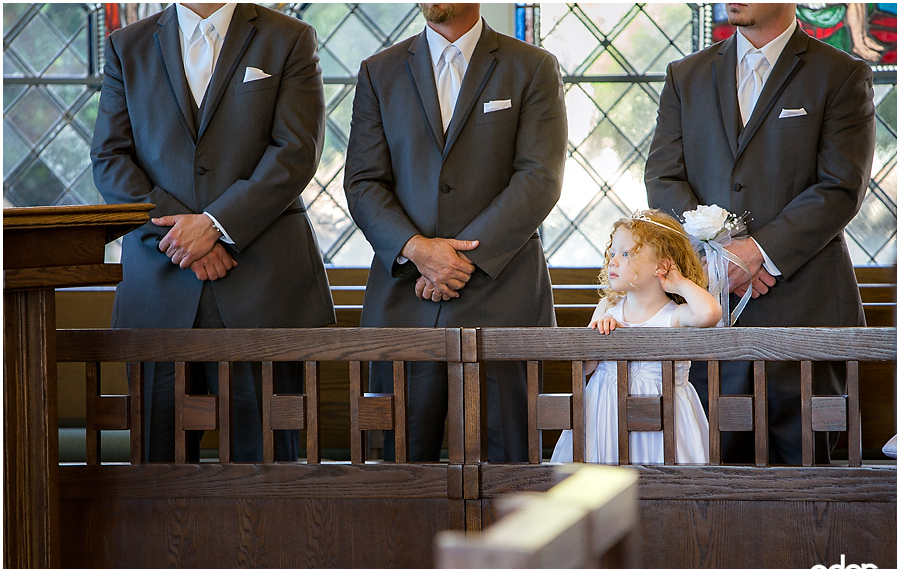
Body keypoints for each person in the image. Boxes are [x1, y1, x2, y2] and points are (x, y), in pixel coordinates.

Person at [91, 3, 335, 462]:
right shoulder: (127, 45)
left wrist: (218, 225)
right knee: (156, 470)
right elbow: (110, 158)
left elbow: (296, 152)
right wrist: (185, 236)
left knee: (268, 468)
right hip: (159, 289)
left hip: (262, 287)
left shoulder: (290, 38)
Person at [645, 3, 875, 464]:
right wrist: (721, 251)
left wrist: (760, 252)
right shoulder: (685, 75)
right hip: (709, 309)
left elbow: (839, 187)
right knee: (709, 485)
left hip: (805, 308)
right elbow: (663, 177)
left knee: (806, 483)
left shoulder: (840, 73)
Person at [344, 3, 567, 462]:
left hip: (502, 297)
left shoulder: (531, 67)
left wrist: (457, 261)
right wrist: (417, 250)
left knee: (511, 469)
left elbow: (538, 178)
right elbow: (363, 181)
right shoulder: (378, 72)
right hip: (404, 298)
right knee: (400, 472)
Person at [552, 210, 719, 464]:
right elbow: (585, 368)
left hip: (664, 418)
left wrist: (679, 282)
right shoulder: (607, 307)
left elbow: (710, 313)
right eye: (612, 253)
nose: (613, 261)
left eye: (626, 253)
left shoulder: (675, 316)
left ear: (661, 265)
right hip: (606, 415)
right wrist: (600, 338)